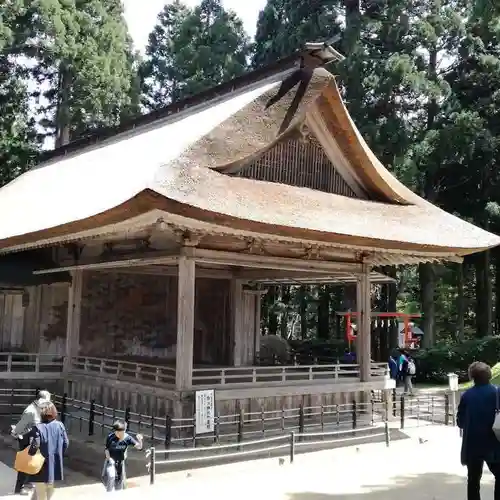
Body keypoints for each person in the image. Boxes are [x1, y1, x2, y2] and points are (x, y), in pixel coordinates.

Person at [458, 362, 500, 500]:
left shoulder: (467, 396)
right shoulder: (496, 392)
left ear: (472, 377)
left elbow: (460, 422)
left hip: (473, 443)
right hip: (494, 442)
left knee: (473, 480)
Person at [11, 390, 51, 495]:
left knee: (32, 462)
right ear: (41, 400)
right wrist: (15, 432)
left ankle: (28, 483)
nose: (49, 403)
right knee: (25, 463)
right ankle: (19, 488)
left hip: (33, 440)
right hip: (26, 440)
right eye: (47, 401)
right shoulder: (30, 411)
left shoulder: (38, 409)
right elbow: (20, 427)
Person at [26, 402, 69, 500]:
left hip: (41, 465)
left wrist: (30, 454)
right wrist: (58, 454)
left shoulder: (38, 427)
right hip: (54, 464)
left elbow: (35, 445)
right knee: (48, 490)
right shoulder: (60, 425)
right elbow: (66, 443)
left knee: (40, 493)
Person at [103, 420, 143, 492]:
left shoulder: (128, 438)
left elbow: (139, 447)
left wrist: (140, 440)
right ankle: (109, 494)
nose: (117, 434)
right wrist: (109, 459)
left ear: (124, 431)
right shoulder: (110, 437)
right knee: (111, 477)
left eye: (119, 432)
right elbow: (106, 450)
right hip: (110, 462)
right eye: (116, 432)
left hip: (121, 462)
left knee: (119, 482)